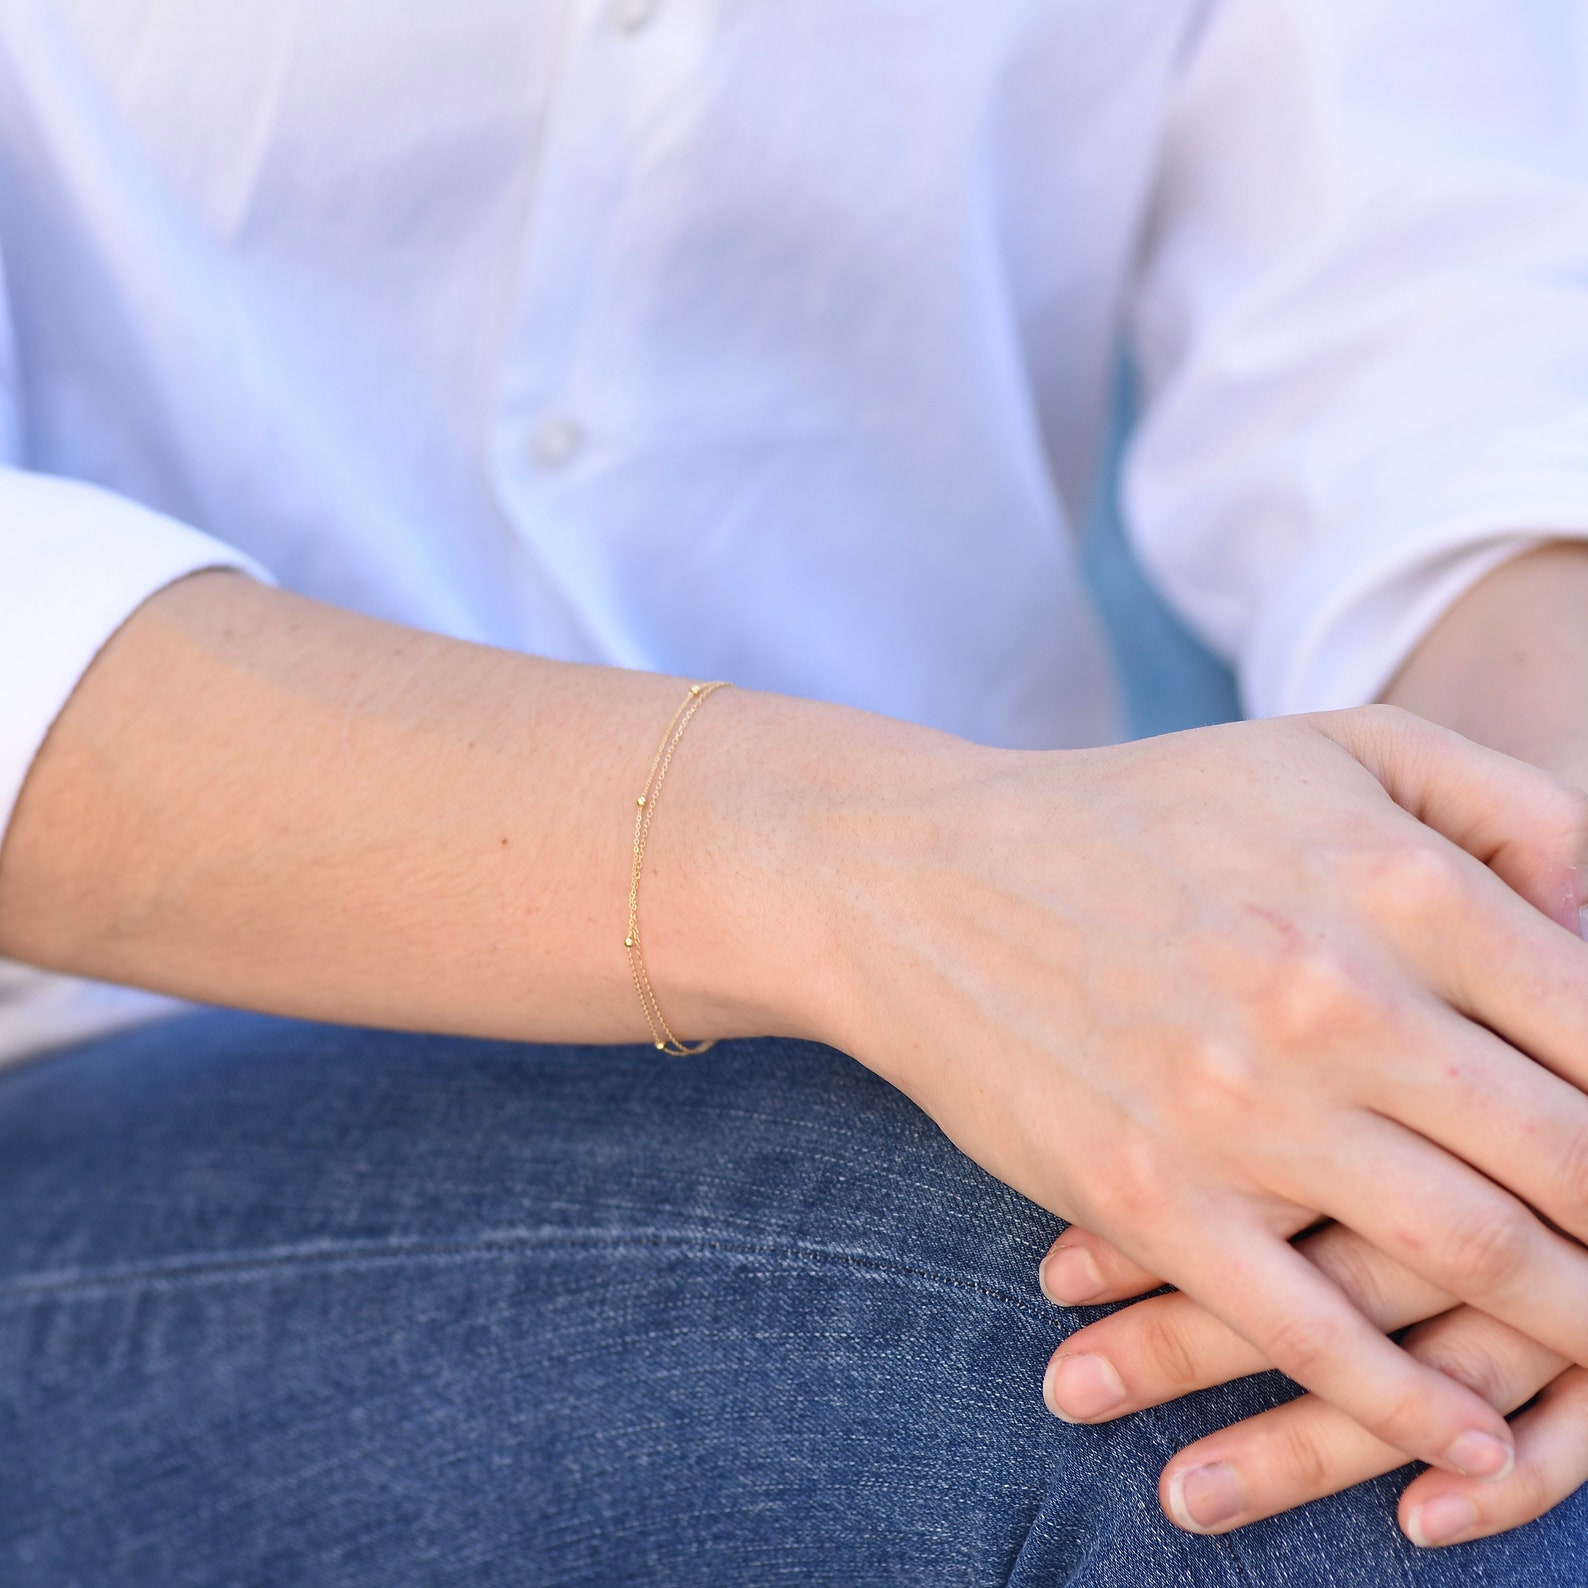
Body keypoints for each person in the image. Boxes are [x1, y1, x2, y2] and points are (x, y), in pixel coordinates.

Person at [1, 0, 1587, 1581]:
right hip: (89, 1051)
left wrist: (1546, 1001)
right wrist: (870, 876)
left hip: (1043, 981)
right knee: (1202, 1375)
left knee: (1440, 1289)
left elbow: (1441, 321)